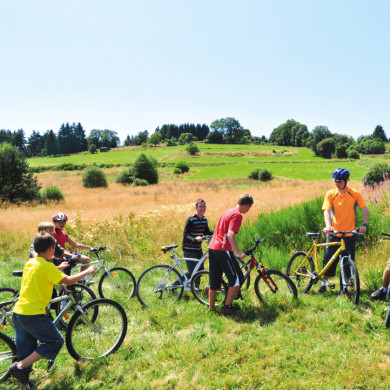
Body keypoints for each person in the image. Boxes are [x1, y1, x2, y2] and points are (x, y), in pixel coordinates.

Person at [8, 232, 95, 389]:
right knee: (56, 341)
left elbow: (43, 269)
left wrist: (57, 267)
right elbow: (68, 281)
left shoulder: (31, 263)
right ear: (50, 248)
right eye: (55, 248)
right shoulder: (48, 267)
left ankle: (23, 386)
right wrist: (87, 271)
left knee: (26, 351)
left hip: (19, 312)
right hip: (33, 314)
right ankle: (19, 366)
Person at [320, 168, 369, 293]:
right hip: (334, 232)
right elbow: (326, 211)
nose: (337, 184)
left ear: (347, 180)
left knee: (348, 261)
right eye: (335, 181)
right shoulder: (330, 194)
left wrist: (364, 225)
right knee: (328, 259)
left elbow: (365, 211)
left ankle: (346, 286)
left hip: (350, 233)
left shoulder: (355, 194)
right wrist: (327, 225)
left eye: (340, 181)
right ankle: (323, 283)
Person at [208, 193, 254, 316]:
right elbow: (230, 234)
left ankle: (211, 309)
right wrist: (237, 252)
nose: (248, 210)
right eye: (249, 208)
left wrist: (211, 251)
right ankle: (227, 307)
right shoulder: (237, 215)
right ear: (247, 205)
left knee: (214, 280)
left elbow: (217, 230)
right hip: (223, 249)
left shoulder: (228, 211)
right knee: (237, 278)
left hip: (213, 247)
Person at [182, 199, 213, 279]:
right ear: (196, 208)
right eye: (200, 207)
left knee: (200, 270)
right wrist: (194, 239)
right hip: (188, 249)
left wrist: (217, 232)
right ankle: (172, 286)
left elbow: (206, 232)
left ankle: (195, 288)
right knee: (192, 271)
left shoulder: (204, 219)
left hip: (198, 248)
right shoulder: (191, 219)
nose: (202, 208)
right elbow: (185, 235)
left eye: (204, 206)